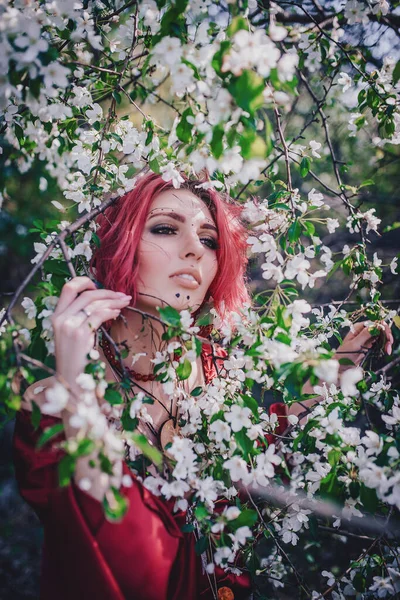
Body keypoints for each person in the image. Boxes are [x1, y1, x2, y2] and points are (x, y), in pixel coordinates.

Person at [13, 172, 394, 600]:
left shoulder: (216, 370)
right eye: (164, 229)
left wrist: (335, 376)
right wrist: (79, 383)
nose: (195, 249)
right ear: (118, 244)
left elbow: (251, 461)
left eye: (210, 240)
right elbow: (129, 566)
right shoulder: (53, 403)